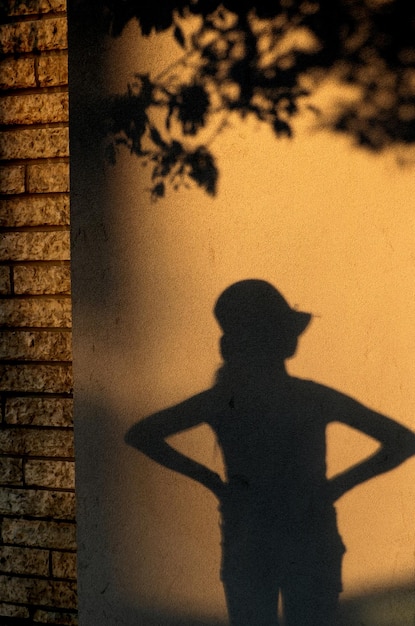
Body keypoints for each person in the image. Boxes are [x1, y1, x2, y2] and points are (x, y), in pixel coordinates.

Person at [125, 279, 415, 626]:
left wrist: (212, 481)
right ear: (282, 340)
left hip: (250, 539)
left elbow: (142, 434)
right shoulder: (311, 398)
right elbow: (402, 440)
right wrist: (335, 488)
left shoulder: (222, 400)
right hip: (309, 538)